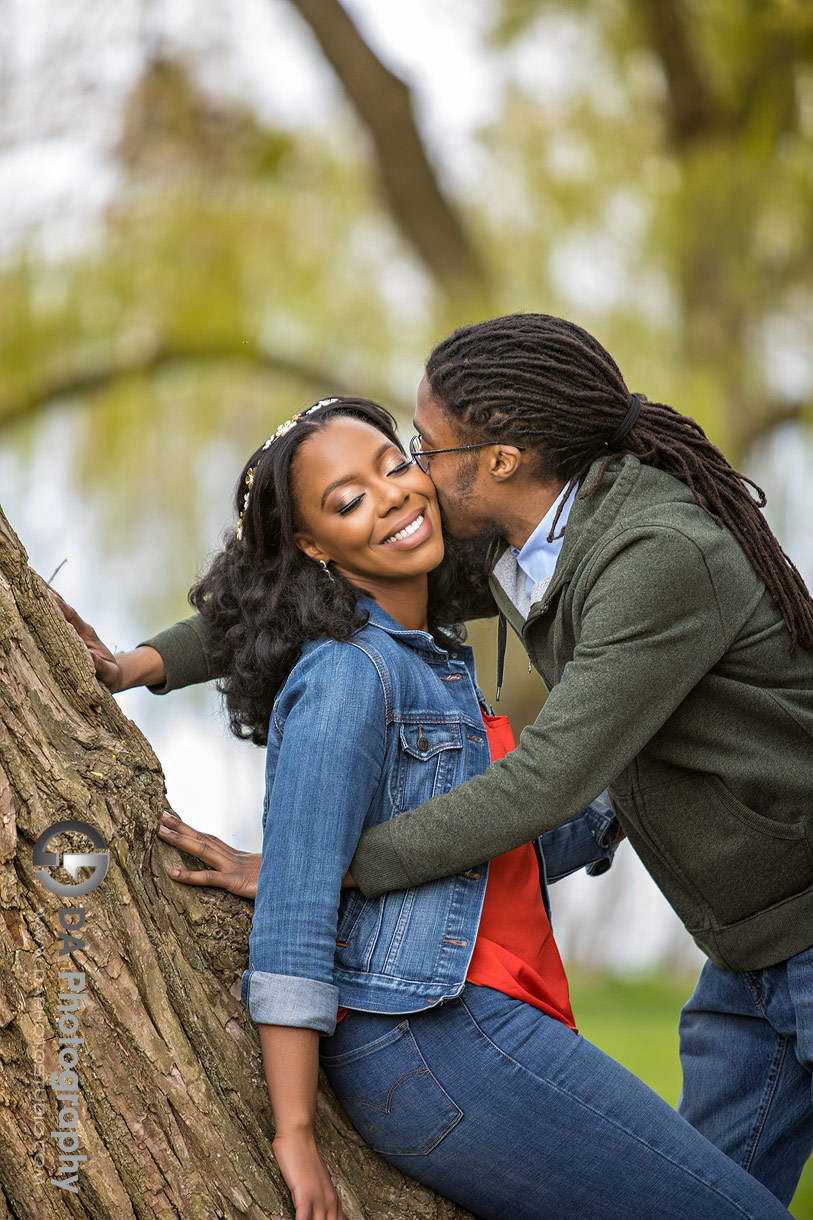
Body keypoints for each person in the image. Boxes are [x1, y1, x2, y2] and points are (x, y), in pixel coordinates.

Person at [63, 313, 813, 1206]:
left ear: (496, 460)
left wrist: (330, 869)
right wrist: (141, 665)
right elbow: (283, 595)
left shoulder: (645, 557)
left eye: (416, 448)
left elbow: (547, 781)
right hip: (743, 953)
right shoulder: (511, 555)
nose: (407, 478)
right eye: (368, 480)